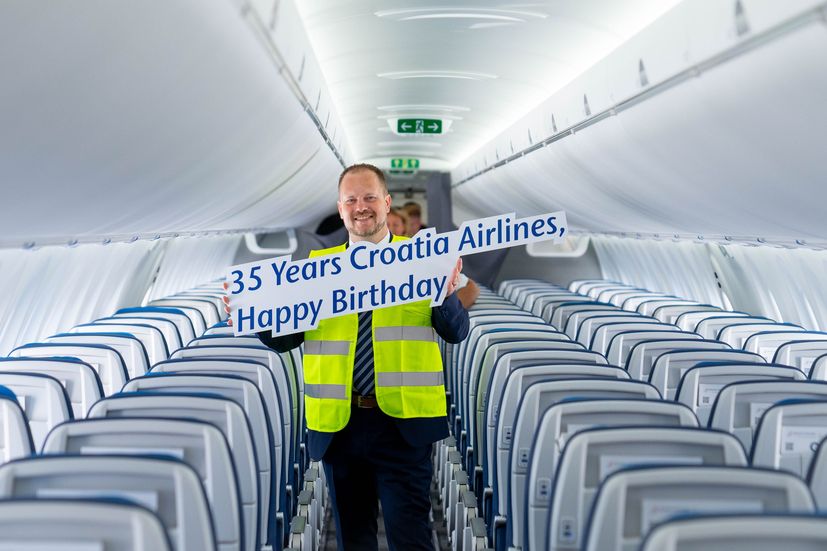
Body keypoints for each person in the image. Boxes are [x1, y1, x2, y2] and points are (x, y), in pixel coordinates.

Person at [225, 163, 469, 550]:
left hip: (404, 426)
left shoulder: (424, 261)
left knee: (412, 540)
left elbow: (456, 331)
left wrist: (444, 292)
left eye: (370, 197)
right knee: (354, 541)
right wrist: (254, 314)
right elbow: (285, 339)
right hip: (340, 425)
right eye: (351, 199)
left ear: (387, 204)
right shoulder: (314, 272)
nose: (361, 206)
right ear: (340, 209)